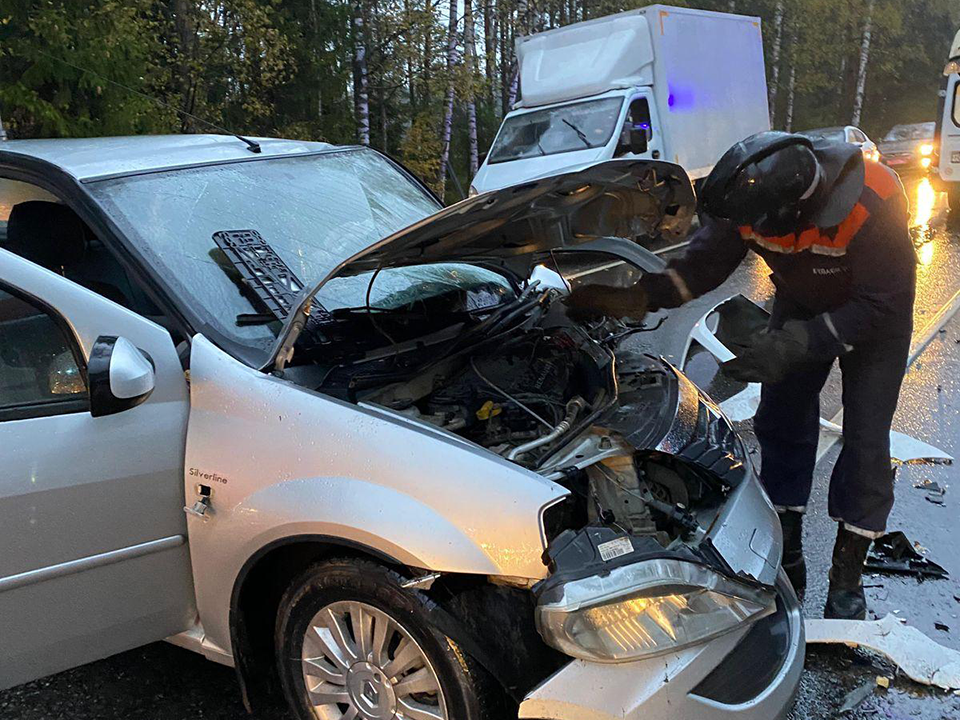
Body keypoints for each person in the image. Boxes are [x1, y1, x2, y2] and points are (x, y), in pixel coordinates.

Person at [566, 131, 916, 620]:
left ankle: (846, 582)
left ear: (797, 208)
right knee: (781, 421)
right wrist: (635, 296)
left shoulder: (872, 196)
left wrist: (798, 343)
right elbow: (701, 268)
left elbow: (884, 303)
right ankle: (788, 559)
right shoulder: (747, 201)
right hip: (800, 303)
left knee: (866, 440)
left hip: (876, 321)